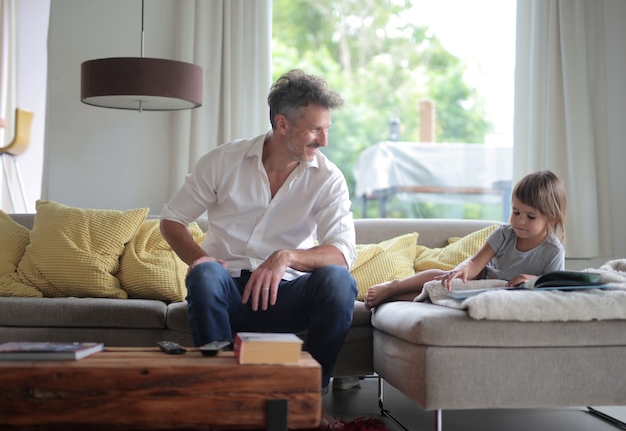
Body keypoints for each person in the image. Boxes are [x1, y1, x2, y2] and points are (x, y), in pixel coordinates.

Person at [160, 69, 357, 426]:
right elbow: (171, 219)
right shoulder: (222, 162)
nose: (324, 140)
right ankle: (225, 400)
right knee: (204, 274)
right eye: (316, 129)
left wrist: (286, 256)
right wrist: (201, 259)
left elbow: (342, 253)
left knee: (339, 282)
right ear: (282, 124)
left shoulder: (328, 178)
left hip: (288, 295)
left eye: (327, 129)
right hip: (227, 292)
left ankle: (308, 398)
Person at [364, 170, 568, 309]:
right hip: (481, 282)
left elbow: (555, 286)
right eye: (515, 212)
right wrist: (461, 270)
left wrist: (532, 279)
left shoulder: (553, 250)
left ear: (550, 218)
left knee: (435, 297)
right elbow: (476, 262)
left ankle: (390, 298)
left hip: (504, 294)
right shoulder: (504, 234)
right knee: (443, 279)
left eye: (530, 216)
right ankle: (395, 286)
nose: (520, 221)